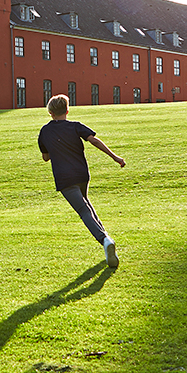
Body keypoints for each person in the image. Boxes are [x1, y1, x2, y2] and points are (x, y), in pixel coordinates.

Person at [38, 94, 126, 268]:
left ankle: (105, 240)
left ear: (50, 113)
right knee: (87, 205)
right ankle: (107, 239)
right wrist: (115, 157)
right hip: (81, 174)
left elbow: (45, 157)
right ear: (67, 110)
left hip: (65, 178)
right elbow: (94, 140)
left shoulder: (45, 131)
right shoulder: (75, 126)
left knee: (84, 211)